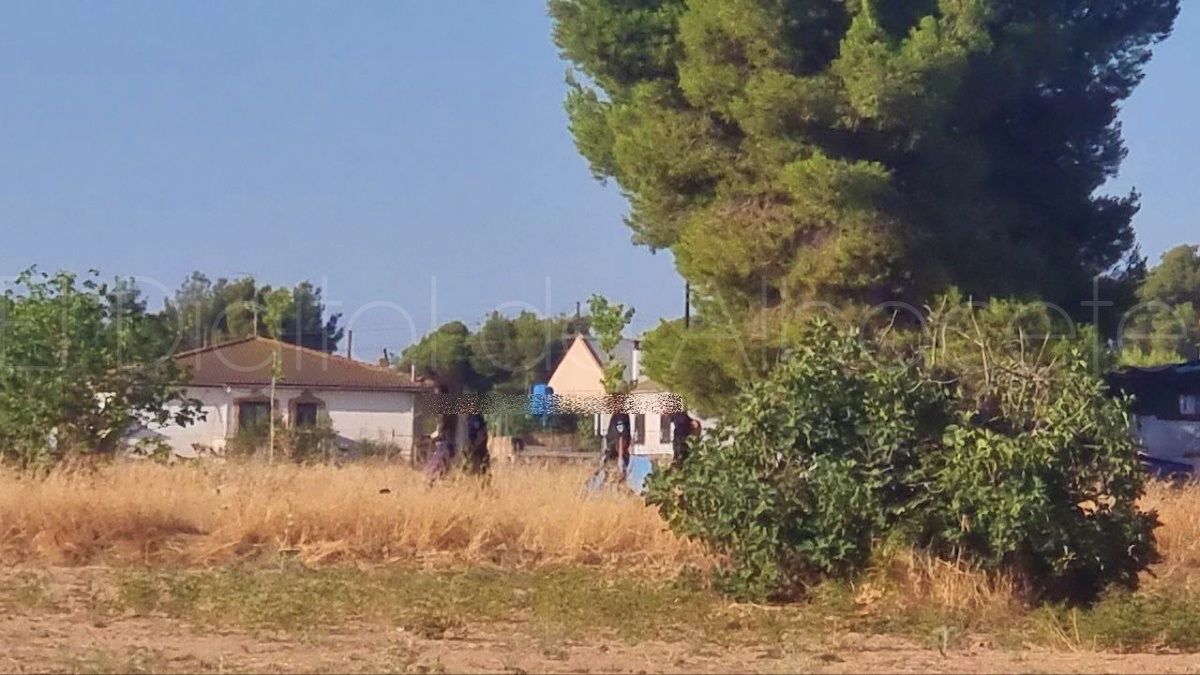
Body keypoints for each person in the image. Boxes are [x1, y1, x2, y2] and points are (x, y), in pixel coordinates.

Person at [424, 385, 458, 486]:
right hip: (449, 443)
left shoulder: (444, 410)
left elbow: (441, 428)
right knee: (443, 471)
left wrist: (432, 437)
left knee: (432, 471)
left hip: (444, 444)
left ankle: (430, 488)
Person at [603, 411, 633, 481]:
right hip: (615, 454)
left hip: (616, 455)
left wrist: (620, 458)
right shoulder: (620, 415)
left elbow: (621, 437)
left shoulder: (620, 416)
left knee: (614, 479)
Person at [464, 413, 490, 479]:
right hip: (477, 447)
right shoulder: (473, 418)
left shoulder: (474, 418)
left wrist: (474, 445)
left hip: (477, 448)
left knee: (477, 470)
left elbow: (480, 433)